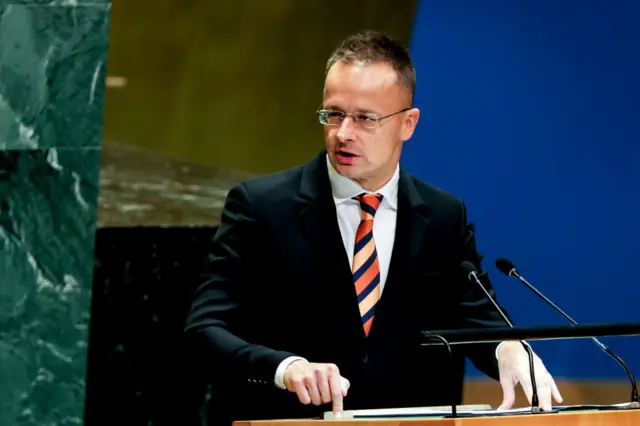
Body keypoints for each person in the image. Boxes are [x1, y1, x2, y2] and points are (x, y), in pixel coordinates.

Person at [184, 30, 562, 425]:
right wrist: (285, 368)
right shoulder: (262, 207)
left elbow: (473, 316)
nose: (344, 133)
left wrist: (507, 348)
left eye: (365, 119)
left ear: (408, 124)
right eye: (334, 114)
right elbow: (205, 329)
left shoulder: (442, 215)